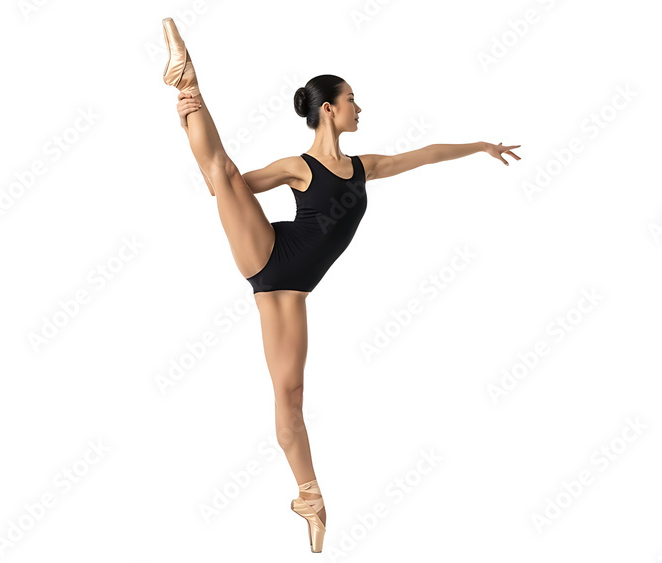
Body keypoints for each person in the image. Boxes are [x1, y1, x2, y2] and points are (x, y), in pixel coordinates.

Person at [161, 16, 520, 553]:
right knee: (226, 174)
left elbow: (424, 155)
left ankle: (310, 498)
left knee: (291, 397)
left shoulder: (363, 166)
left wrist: (480, 145)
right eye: (352, 98)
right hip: (269, 251)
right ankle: (186, 81)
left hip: (290, 291)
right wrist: (197, 139)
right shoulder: (298, 166)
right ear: (328, 108)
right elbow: (226, 187)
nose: (359, 107)